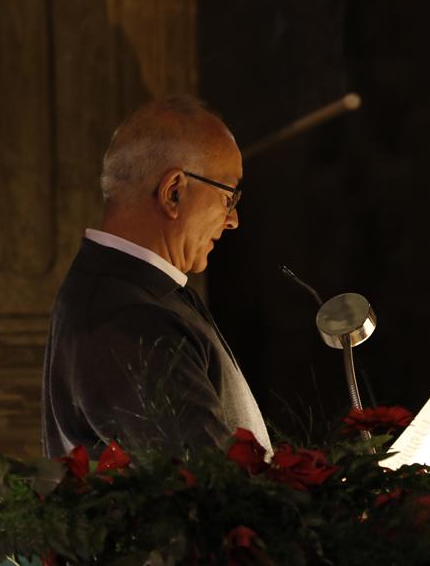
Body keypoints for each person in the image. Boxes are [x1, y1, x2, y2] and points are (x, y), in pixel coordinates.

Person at [41, 95, 271, 459]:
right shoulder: (128, 318)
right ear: (174, 192)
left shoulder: (134, 293)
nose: (233, 220)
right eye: (229, 197)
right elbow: (213, 485)